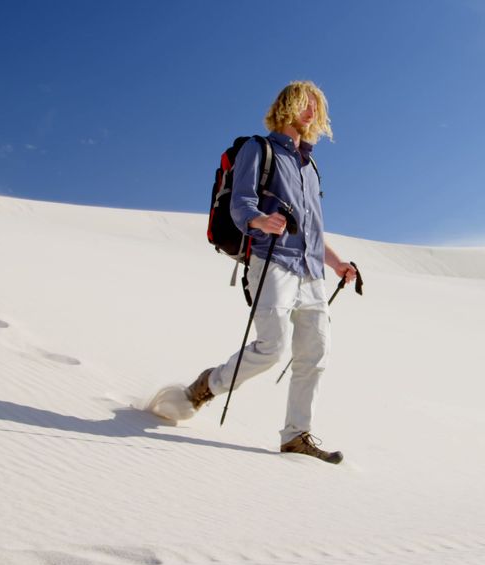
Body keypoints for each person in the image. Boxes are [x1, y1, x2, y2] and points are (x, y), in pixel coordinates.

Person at [147, 80, 356, 464]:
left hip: (311, 273)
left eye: (316, 106)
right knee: (272, 347)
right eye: (305, 103)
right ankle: (206, 386)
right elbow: (241, 203)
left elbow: (313, 232)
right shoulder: (258, 149)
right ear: (287, 105)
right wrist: (261, 220)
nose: (311, 111)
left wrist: (338, 263)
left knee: (315, 354)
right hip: (271, 261)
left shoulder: (310, 168)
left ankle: (296, 436)